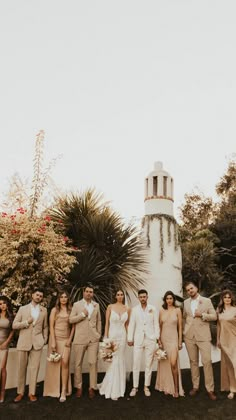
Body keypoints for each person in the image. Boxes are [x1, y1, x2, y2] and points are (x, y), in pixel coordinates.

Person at [13, 288, 48, 402]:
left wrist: (44, 339)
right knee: (21, 368)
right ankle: (20, 392)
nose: (39, 297)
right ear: (32, 295)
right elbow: (14, 325)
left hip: (37, 343)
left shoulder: (44, 310)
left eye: (41, 296)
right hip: (23, 342)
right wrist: (26, 322)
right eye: (37, 295)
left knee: (34, 368)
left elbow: (45, 326)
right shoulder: (23, 309)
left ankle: (31, 393)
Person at [183, 281, 217, 400]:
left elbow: (214, 316)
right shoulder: (185, 302)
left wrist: (202, 315)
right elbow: (185, 318)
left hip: (203, 337)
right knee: (193, 362)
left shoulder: (207, 301)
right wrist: (185, 331)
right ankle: (195, 386)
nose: (190, 291)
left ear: (196, 288)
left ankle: (210, 389)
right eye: (188, 290)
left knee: (207, 362)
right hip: (189, 337)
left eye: (191, 288)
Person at [69, 285, 101, 399]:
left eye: (91, 292)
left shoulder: (96, 305)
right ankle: (79, 387)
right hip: (80, 338)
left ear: (93, 294)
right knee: (78, 364)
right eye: (87, 291)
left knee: (93, 363)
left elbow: (99, 321)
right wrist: (82, 315)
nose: (89, 293)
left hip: (93, 339)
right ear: (83, 293)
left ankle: (92, 387)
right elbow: (71, 319)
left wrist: (98, 335)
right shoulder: (76, 305)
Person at [43, 290, 75, 402]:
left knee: (65, 362)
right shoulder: (54, 310)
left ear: (68, 299)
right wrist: (53, 341)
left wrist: (70, 339)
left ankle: (64, 391)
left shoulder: (71, 310)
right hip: (55, 339)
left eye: (65, 297)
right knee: (54, 365)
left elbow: (73, 327)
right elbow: (51, 326)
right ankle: (52, 389)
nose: (63, 299)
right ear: (59, 299)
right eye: (62, 297)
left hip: (66, 340)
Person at [99, 289, 130, 400]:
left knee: (120, 359)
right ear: (115, 296)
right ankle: (111, 386)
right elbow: (106, 323)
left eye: (122, 294)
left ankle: (119, 387)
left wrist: (129, 337)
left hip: (122, 336)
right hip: (112, 336)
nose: (120, 296)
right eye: (118, 294)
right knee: (113, 359)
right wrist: (106, 338)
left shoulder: (127, 308)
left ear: (123, 296)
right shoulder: (110, 307)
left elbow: (127, 324)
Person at [128, 289, 159, 397]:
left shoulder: (153, 309)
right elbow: (131, 324)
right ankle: (135, 387)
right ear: (138, 298)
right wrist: (130, 338)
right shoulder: (134, 310)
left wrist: (156, 337)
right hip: (138, 339)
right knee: (136, 363)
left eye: (144, 296)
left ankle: (146, 386)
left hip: (150, 339)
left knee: (148, 364)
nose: (142, 298)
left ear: (147, 297)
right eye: (140, 297)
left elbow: (156, 324)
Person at [155, 291, 184, 398]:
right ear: (165, 300)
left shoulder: (178, 310)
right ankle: (166, 386)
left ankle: (176, 388)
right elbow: (159, 326)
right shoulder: (161, 311)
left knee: (173, 364)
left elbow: (180, 327)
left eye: (171, 298)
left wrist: (180, 341)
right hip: (163, 339)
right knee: (164, 364)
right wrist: (159, 340)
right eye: (167, 299)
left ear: (173, 299)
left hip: (173, 340)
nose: (169, 300)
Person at [217, 289, 236, 399]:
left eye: (229, 297)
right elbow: (219, 325)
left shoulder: (235, 310)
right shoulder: (219, 310)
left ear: (231, 298)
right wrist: (218, 339)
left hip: (234, 339)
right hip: (224, 340)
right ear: (222, 299)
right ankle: (232, 390)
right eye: (225, 297)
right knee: (229, 365)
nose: (227, 299)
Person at [0, 296, 14, 403]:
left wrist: (6, 342)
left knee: (2, 368)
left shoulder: (11, 316)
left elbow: (12, 332)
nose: (2, 305)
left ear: (7, 304)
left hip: (4, 345)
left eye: (4, 303)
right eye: (0, 304)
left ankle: (2, 393)